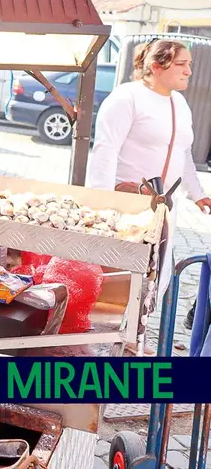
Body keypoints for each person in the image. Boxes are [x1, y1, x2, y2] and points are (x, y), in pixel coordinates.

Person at [85, 38, 211, 354]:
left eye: (189, 64)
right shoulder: (126, 98)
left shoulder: (179, 104)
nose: (189, 71)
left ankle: (133, 339)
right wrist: (101, 201)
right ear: (157, 67)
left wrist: (198, 194)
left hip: (165, 206)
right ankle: (94, 335)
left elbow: (184, 153)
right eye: (181, 64)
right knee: (117, 273)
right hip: (128, 202)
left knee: (159, 274)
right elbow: (105, 149)